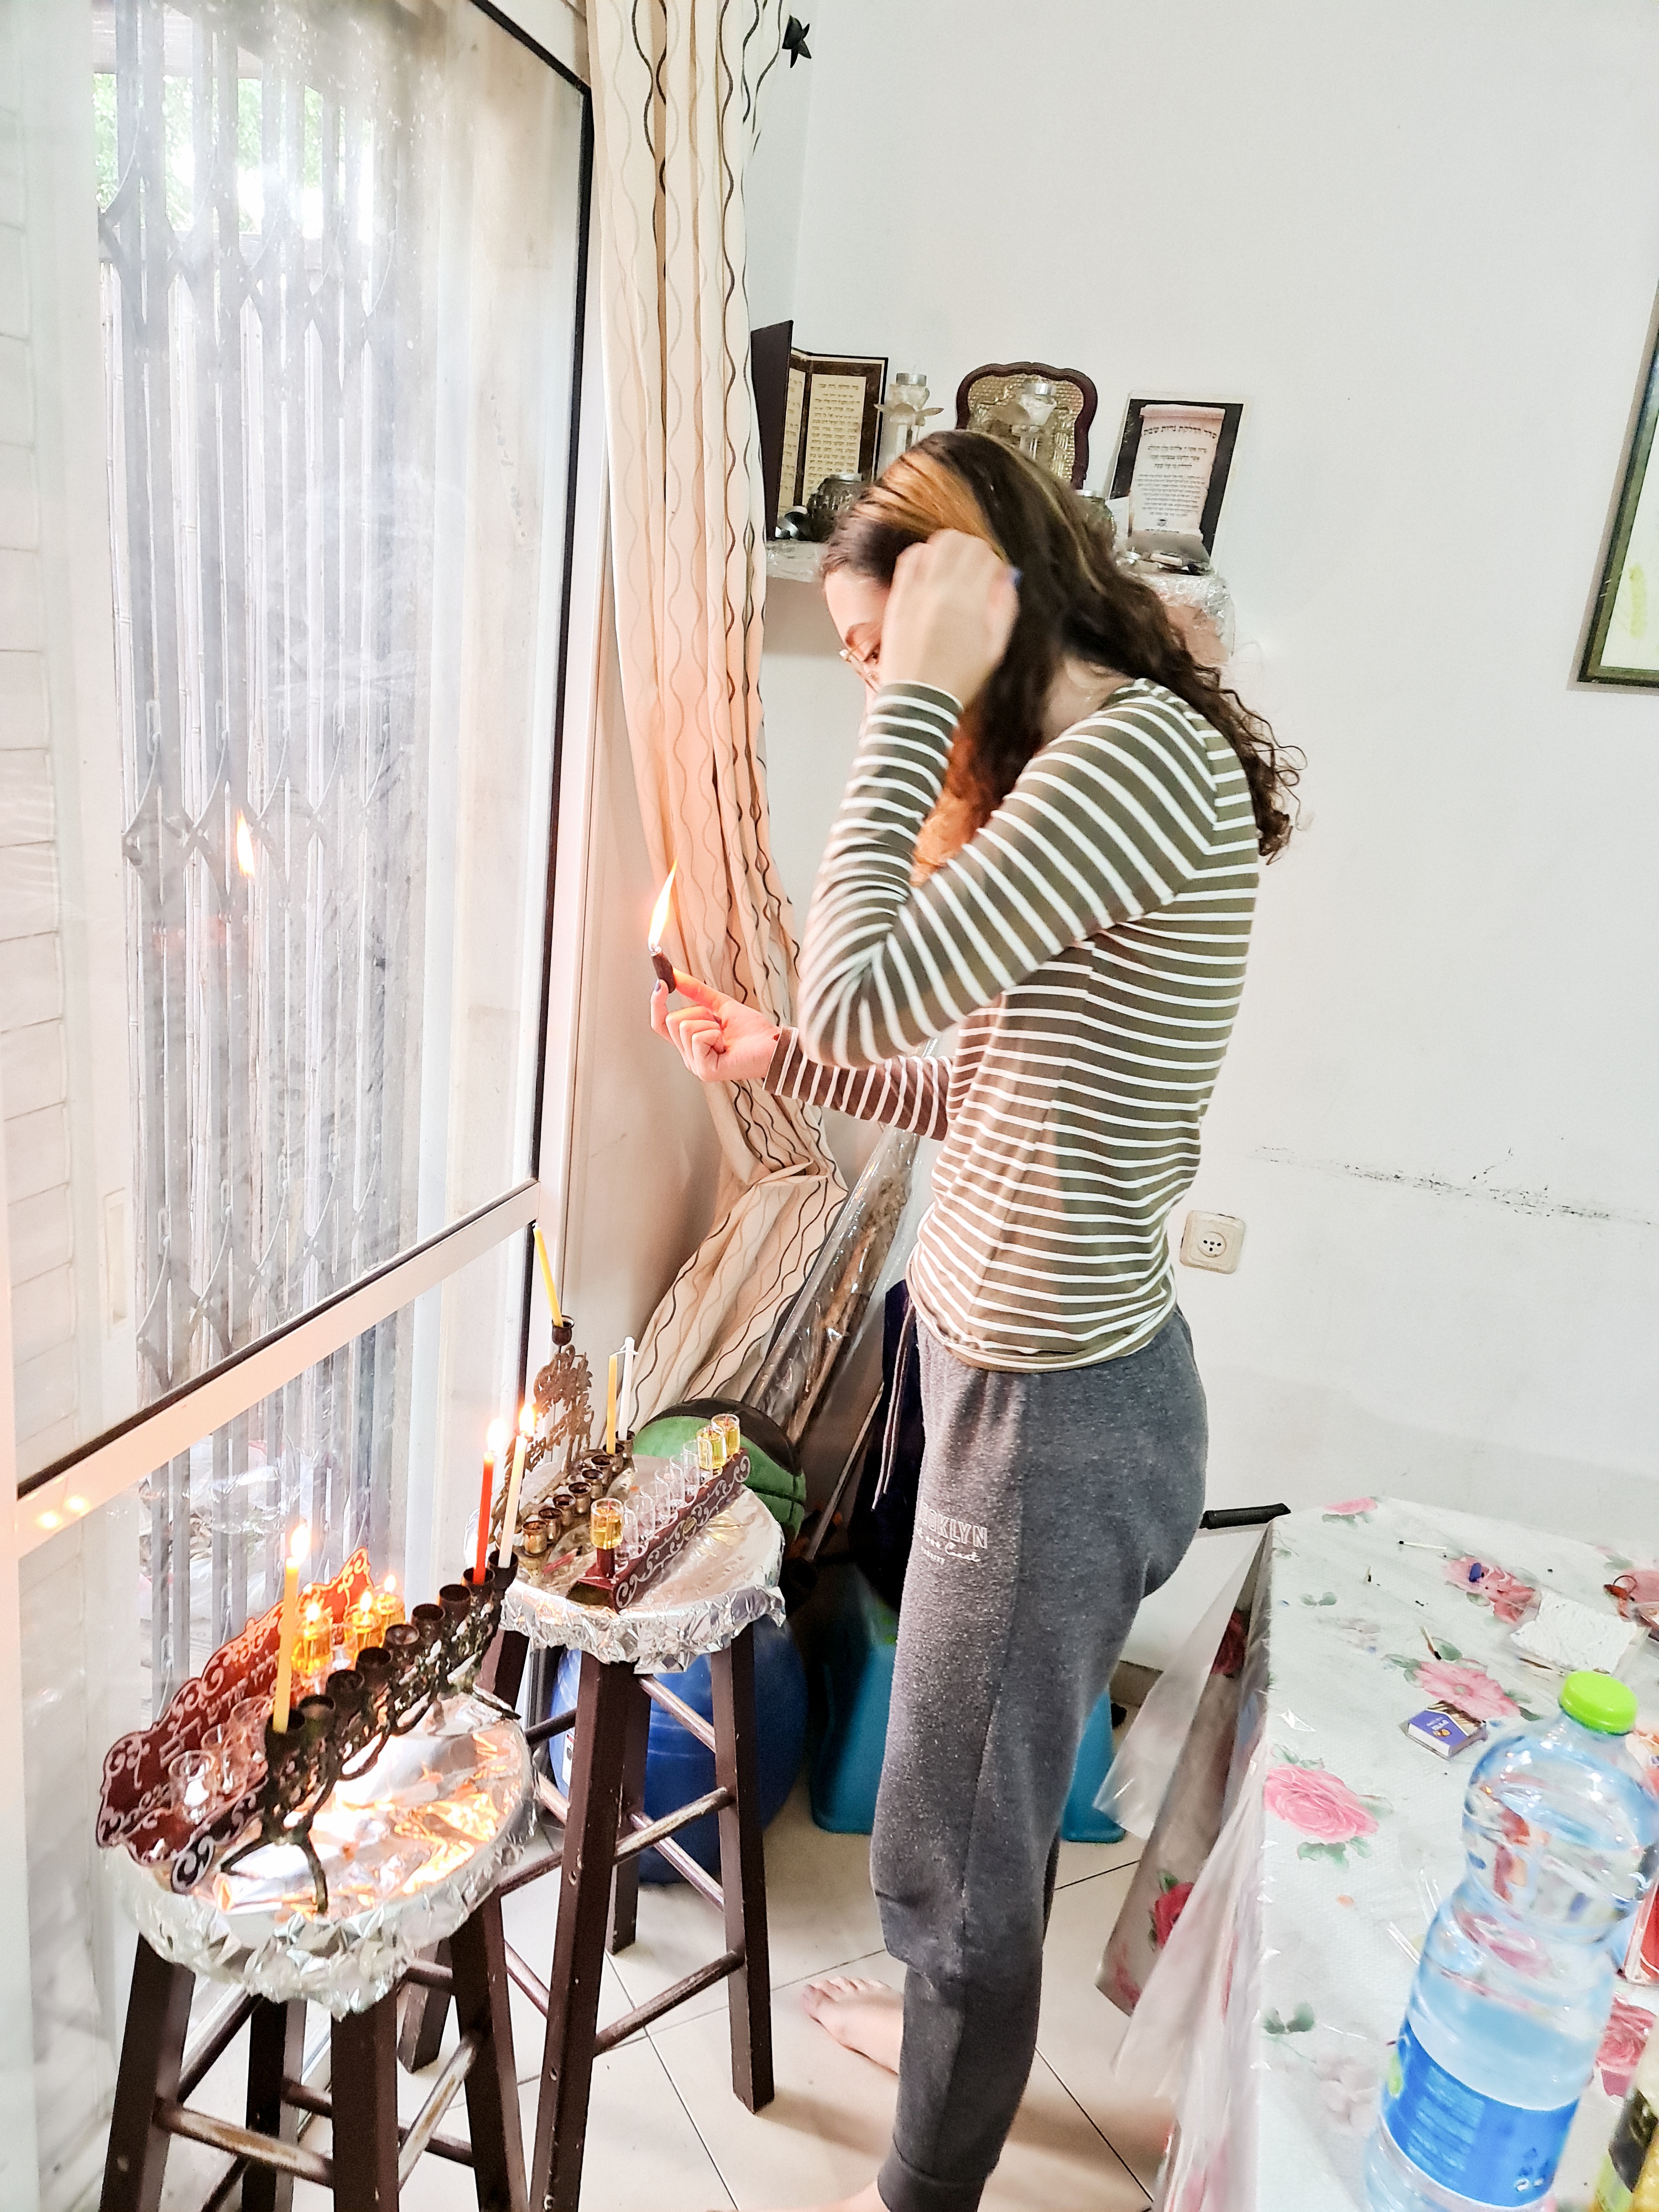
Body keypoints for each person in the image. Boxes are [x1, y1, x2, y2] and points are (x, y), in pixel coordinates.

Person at [650, 431, 1298, 2212]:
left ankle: (924, 2182)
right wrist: (784, 1058)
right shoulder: (1101, 770)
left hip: (1054, 1420)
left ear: (972, 605)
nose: (876, 692)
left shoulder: (1127, 767)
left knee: (947, 1858)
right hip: (1007, 1366)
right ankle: (946, 2019)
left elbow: (866, 977)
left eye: (880, 651)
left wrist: (919, 696)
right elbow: (990, 1093)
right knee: (956, 1833)